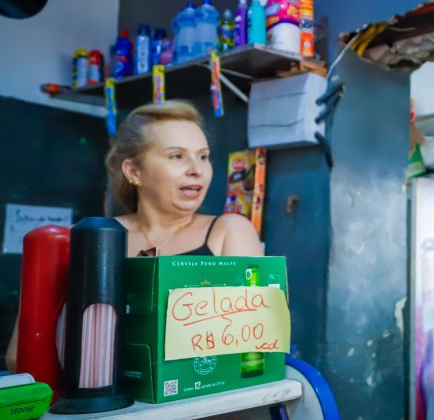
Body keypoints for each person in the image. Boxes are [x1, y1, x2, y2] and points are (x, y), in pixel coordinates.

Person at [5, 100, 262, 370]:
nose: (197, 169)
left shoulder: (229, 231)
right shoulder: (80, 240)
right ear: (134, 171)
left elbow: (251, 346)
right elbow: (20, 358)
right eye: (177, 156)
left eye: (203, 156)